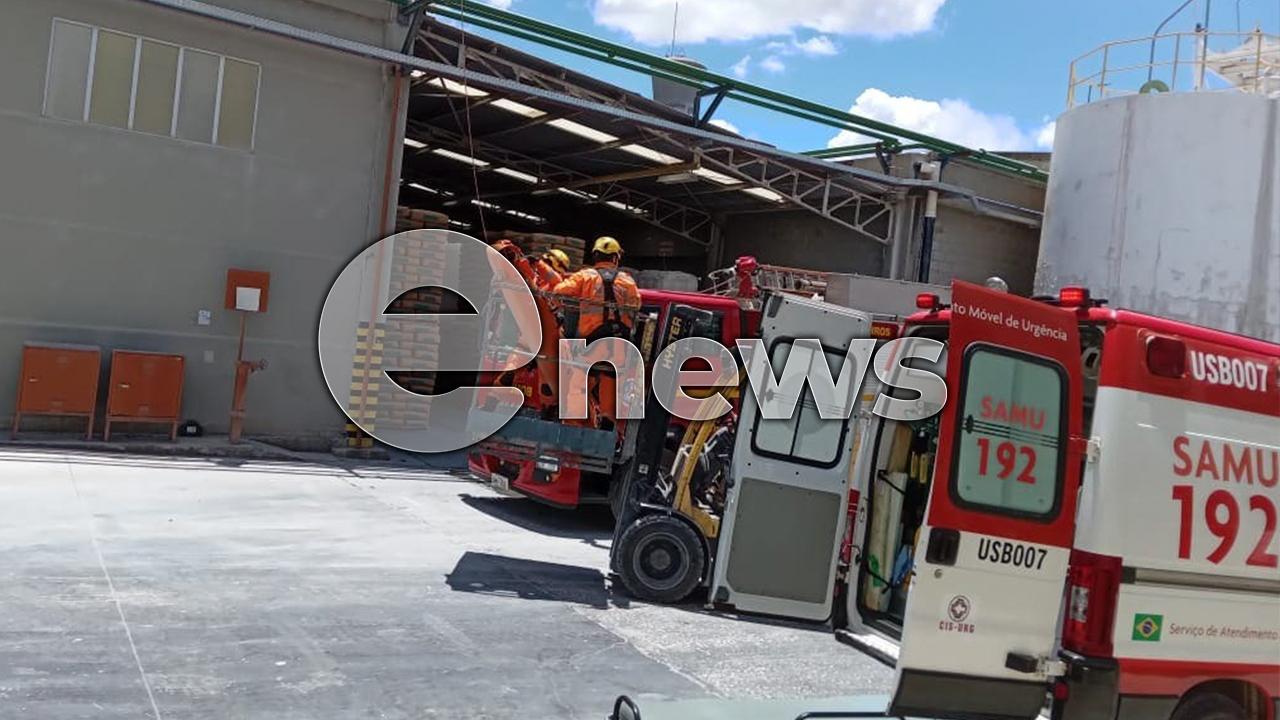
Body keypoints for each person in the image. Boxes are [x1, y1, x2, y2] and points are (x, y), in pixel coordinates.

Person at [553, 236, 641, 428]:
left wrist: (572, 306)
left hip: (591, 344)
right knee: (610, 381)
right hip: (618, 346)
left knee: (577, 385)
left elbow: (559, 291)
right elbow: (636, 305)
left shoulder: (585, 277)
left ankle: (572, 426)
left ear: (595, 256)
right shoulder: (628, 282)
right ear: (616, 259)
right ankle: (608, 427)